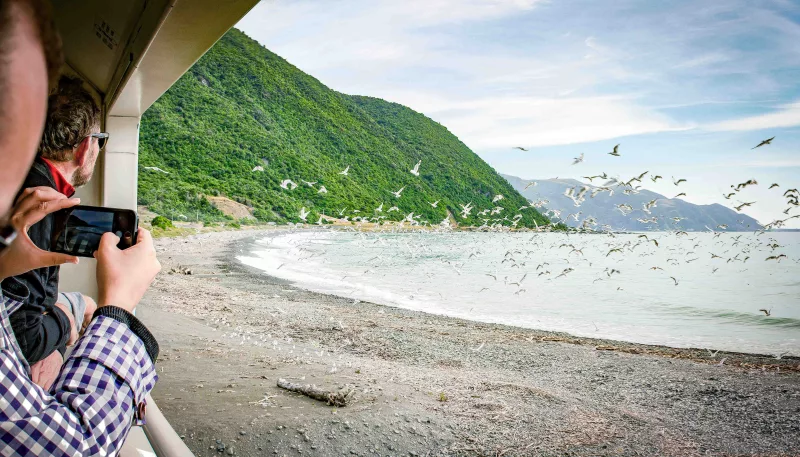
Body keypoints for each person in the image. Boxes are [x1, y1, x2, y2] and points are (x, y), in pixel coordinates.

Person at [0, 1, 162, 455]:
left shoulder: (29, 200)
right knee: (83, 305)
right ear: (87, 147)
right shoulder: (38, 205)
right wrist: (117, 307)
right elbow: (74, 447)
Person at [2, 75, 104, 389]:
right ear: (86, 145)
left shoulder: (19, 179)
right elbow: (25, 338)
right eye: (102, 140)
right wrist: (76, 308)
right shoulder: (41, 203)